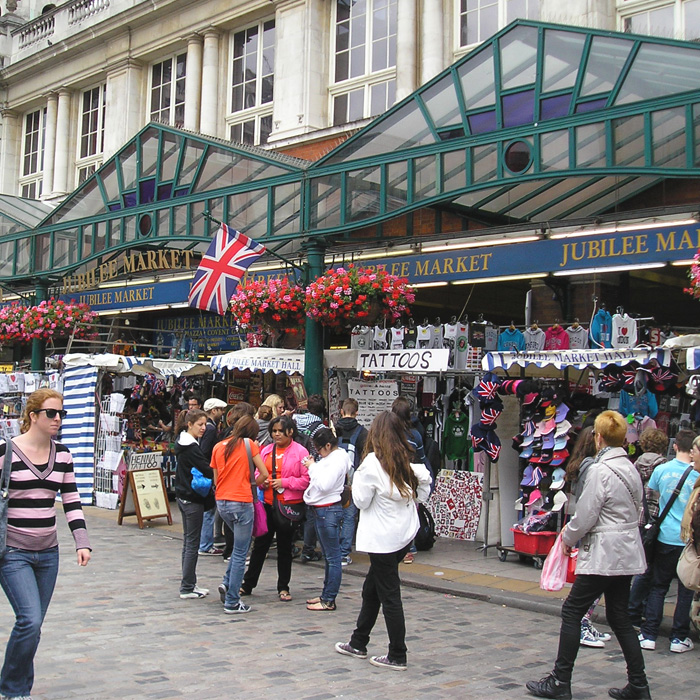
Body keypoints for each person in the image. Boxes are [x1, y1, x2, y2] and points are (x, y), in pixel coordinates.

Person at [526, 410, 649, 700]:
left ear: (600, 437)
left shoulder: (600, 470)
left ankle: (560, 680)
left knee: (572, 610)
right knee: (619, 617)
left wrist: (567, 537)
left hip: (605, 551)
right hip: (627, 549)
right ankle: (639, 684)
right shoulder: (630, 467)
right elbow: (639, 509)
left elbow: (586, 514)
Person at [0, 389, 91, 700]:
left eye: (61, 414)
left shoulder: (63, 454)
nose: (58, 419)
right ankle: (12, 689)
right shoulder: (7, 452)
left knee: (34, 627)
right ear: (33, 416)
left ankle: (19, 690)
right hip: (13, 551)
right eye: (52, 413)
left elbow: (72, 500)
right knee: (30, 619)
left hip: (48, 553)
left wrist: (82, 541)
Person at [335, 411, 431, 671]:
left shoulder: (370, 465)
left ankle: (397, 653)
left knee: (389, 595)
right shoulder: (407, 460)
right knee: (372, 589)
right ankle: (358, 641)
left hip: (382, 539)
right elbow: (422, 493)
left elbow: (361, 501)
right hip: (403, 535)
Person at [638, 430, 699, 654]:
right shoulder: (696, 474)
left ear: (675, 447)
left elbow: (651, 498)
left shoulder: (661, 470)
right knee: (685, 589)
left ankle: (649, 634)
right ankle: (678, 637)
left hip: (664, 536)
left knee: (658, 586)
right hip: (688, 539)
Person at [240, 415, 309, 601]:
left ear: (290, 431)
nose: (276, 434)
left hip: (288, 506)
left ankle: (283, 587)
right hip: (267, 504)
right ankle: (248, 584)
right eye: (274, 431)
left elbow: (306, 479)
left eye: (280, 431)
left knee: (285, 548)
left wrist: (284, 482)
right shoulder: (266, 451)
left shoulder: (300, 452)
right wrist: (263, 482)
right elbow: (256, 473)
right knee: (260, 546)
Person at [211, 415, 268, 614]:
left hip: (222, 501)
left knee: (235, 548)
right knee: (240, 552)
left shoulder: (219, 446)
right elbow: (264, 473)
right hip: (242, 501)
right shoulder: (250, 445)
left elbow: (216, 479)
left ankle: (228, 583)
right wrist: (254, 484)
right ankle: (233, 600)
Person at [565, 426, 612, 648]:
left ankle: (585, 621)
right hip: (590, 531)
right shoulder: (592, 467)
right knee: (589, 584)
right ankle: (583, 623)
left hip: (588, 529)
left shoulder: (584, 465)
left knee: (594, 583)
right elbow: (589, 505)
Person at [303, 428, 351, 611]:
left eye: (319, 449)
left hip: (327, 510)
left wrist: (312, 467)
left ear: (328, 445)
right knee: (330, 556)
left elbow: (324, 485)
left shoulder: (337, 460)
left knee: (332, 557)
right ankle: (326, 594)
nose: (319, 453)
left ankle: (329, 599)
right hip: (323, 510)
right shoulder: (333, 458)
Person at [628, 428, 669, 627]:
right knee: (648, 569)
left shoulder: (634, 465)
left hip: (637, 519)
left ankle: (635, 607)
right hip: (655, 520)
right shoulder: (664, 467)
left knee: (640, 565)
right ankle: (635, 608)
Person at [174, 408, 214, 599]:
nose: (203, 428)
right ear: (189, 424)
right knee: (192, 543)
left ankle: (189, 583)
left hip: (183, 496)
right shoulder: (190, 447)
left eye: (205, 424)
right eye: (200, 424)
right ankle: (187, 587)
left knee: (188, 542)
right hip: (191, 499)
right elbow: (207, 469)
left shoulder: (183, 441)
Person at [391, 396, 428, 564]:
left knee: (394, 512)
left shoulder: (388, 435)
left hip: (392, 476)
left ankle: (396, 547)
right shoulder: (415, 435)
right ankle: (409, 547)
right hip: (410, 476)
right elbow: (422, 457)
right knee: (410, 511)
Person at [335, 398, 368, 566]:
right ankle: (343, 552)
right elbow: (366, 457)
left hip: (334, 480)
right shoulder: (363, 433)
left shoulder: (333, 430)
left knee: (333, 514)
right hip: (353, 482)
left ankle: (332, 550)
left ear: (341, 411)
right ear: (357, 412)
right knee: (349, 516)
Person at [296, 395, 327, 563]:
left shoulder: (294, 419)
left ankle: (290, 543)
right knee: (310, 513)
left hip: (291, 466)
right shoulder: (321, 428)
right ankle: (308, 548)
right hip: (309, 468)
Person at [198, 398, 228, 557]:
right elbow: (204, 451)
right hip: (209, 472)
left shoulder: (208, 427)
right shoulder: (210, 429)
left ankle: (205, 542)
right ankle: (206, 544)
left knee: (209, 509)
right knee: (209, 510)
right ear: (213, 410)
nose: (222, 413)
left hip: (207, 471)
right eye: (220, 410)